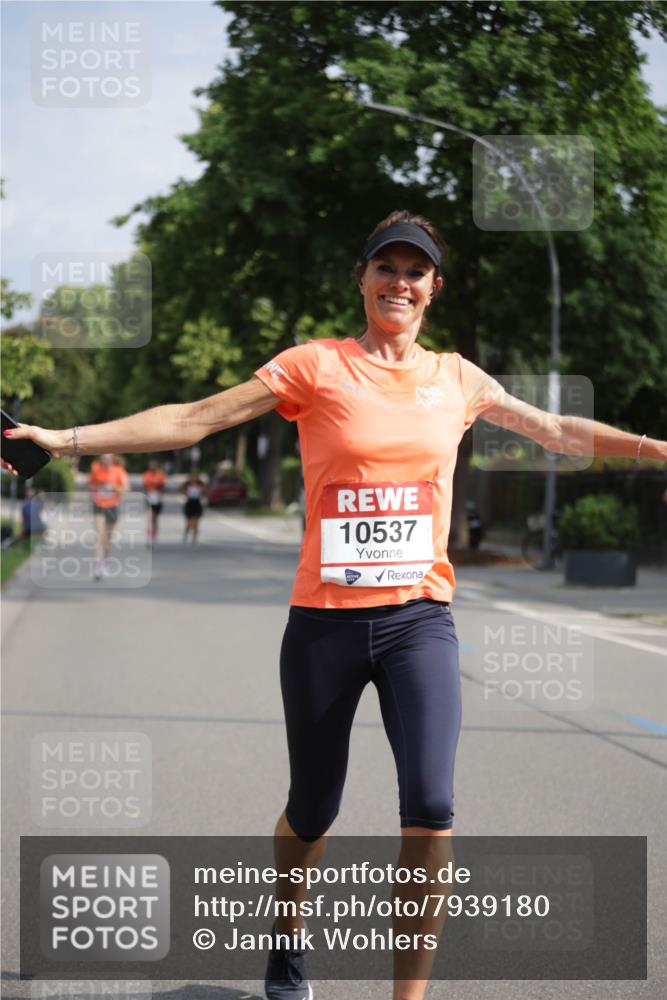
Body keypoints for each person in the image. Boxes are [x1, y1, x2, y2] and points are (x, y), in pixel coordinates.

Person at [3, 209, 667, 1000]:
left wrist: (655, 449)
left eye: (414, 271)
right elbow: (194, 418)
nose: (399, 281)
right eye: (384, 267)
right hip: (324, 623)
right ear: (361, 279)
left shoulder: (458, 378)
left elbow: (555, 429)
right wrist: (64, 438)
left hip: (419, 618)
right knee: (311, 811)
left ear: (432, 290)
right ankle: (287, 936)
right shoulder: (314, 366)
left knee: (430, 808)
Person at [87, 452, 129, 580]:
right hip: (99, 504)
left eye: (106, 459)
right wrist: (96, 489)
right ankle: (98, 567)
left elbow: (126, 489)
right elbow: (90, 484)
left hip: (112, 506)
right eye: (102, 458)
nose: (104, 461)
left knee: (107, 538)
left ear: (112, 460)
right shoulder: (96, 468)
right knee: (100, 537)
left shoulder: (118, 471)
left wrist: (114, 488)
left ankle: (106, 558)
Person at [143, 459, 167, 544]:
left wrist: (160, 493)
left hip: (157, 498)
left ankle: (155, 535)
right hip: (149, 498)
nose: (152, 468)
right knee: (150, 518)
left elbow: (163, 486)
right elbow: (145, 486)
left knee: (155, 519)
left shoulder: (160, 475)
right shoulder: (147, 474)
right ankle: (149, 536)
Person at [181, 468, 207, 544]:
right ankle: (187, 531)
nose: (194, 478)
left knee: (196, 522)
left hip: (197, 503)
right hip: (189, 503)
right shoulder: (187, 484)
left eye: (196, 477)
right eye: (193, 477)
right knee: (189, 522)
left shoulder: (201, 484)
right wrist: (186, 493)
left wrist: (202, 490)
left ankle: (194, 538)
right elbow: (182, 491)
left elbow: (205, 492)